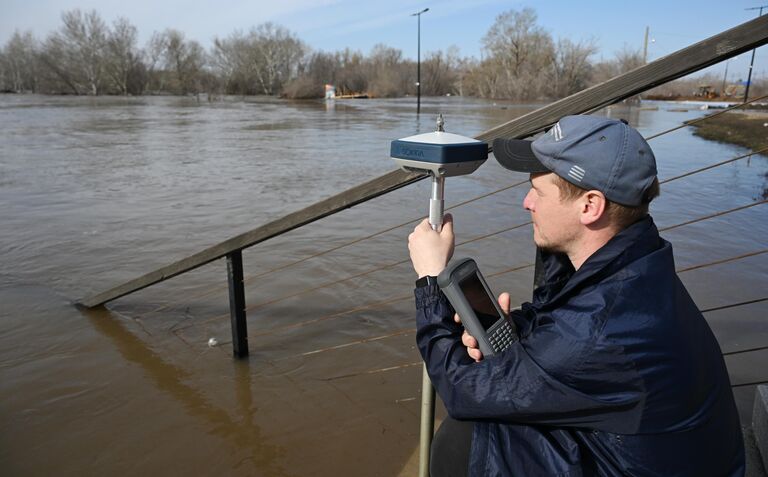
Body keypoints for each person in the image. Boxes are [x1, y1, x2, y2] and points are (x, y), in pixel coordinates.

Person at [407, 115, 745, 476]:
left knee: (467, 440)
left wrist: (430, 279)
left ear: (590, 206)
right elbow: (569, 323)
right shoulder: (640, 264)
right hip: (674, 459)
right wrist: (520, 330)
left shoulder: (597, 331)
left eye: (537, 192)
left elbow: (462, 392)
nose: (526, 203)